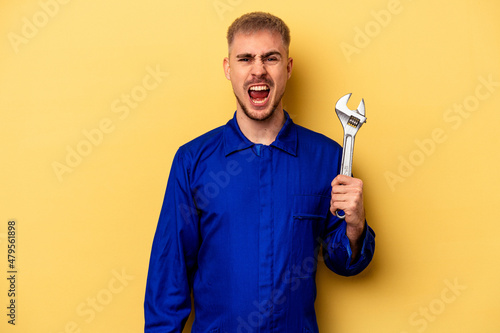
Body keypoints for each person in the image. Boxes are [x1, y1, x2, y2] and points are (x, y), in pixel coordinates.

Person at [144, 11, 375, 333]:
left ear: (288, 68)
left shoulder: (327, 157)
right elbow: (170, 271)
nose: (258, 70)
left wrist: (356, 223)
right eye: (245, 58)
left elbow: (343, 262)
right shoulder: (192, 160)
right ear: (228, 68)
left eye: (271, 58)